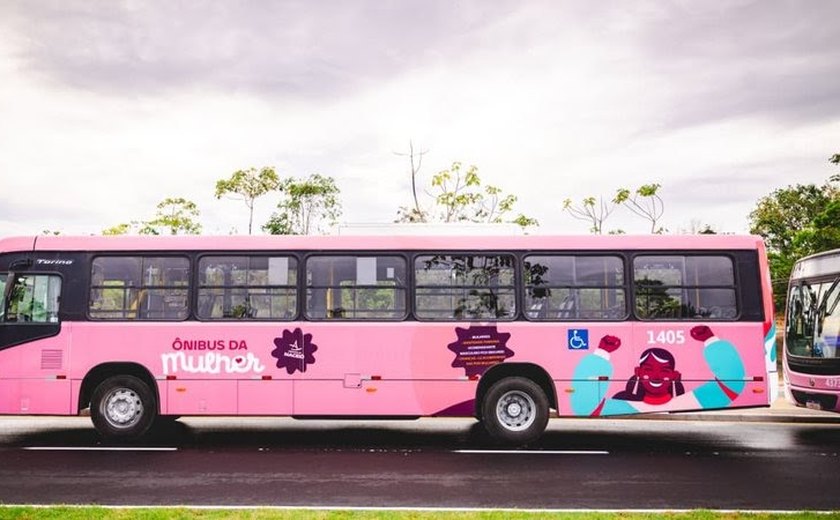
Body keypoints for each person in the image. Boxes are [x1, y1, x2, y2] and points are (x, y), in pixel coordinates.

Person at [570, 325, 745, 416]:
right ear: (637, 372)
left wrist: (710, 340)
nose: (655, 376)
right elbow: (585, 406)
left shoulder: (691, 400)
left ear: (675, 376)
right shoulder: (624, 404)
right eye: (648, 369)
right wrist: (602, 352)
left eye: (664, 371)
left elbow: (731, 384)